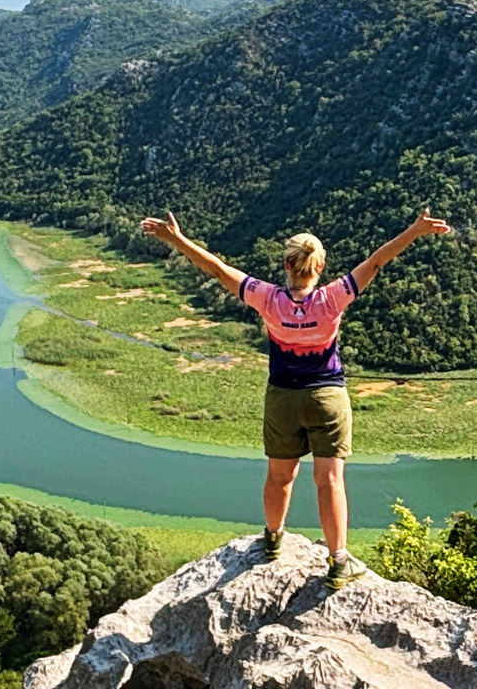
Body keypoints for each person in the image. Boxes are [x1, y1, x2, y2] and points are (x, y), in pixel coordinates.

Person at [139, 207, 451, 586]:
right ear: (319, 267)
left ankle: (272, 539)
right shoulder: (332, 298)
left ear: (287, 263)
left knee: (280, 474)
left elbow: (219, 270)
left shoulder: (267, 299)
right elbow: (377, 261)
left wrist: (176, 239)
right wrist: (415, 230)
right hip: (327, 397)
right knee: (330, 480)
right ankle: (338, 562)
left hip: (283, 398)